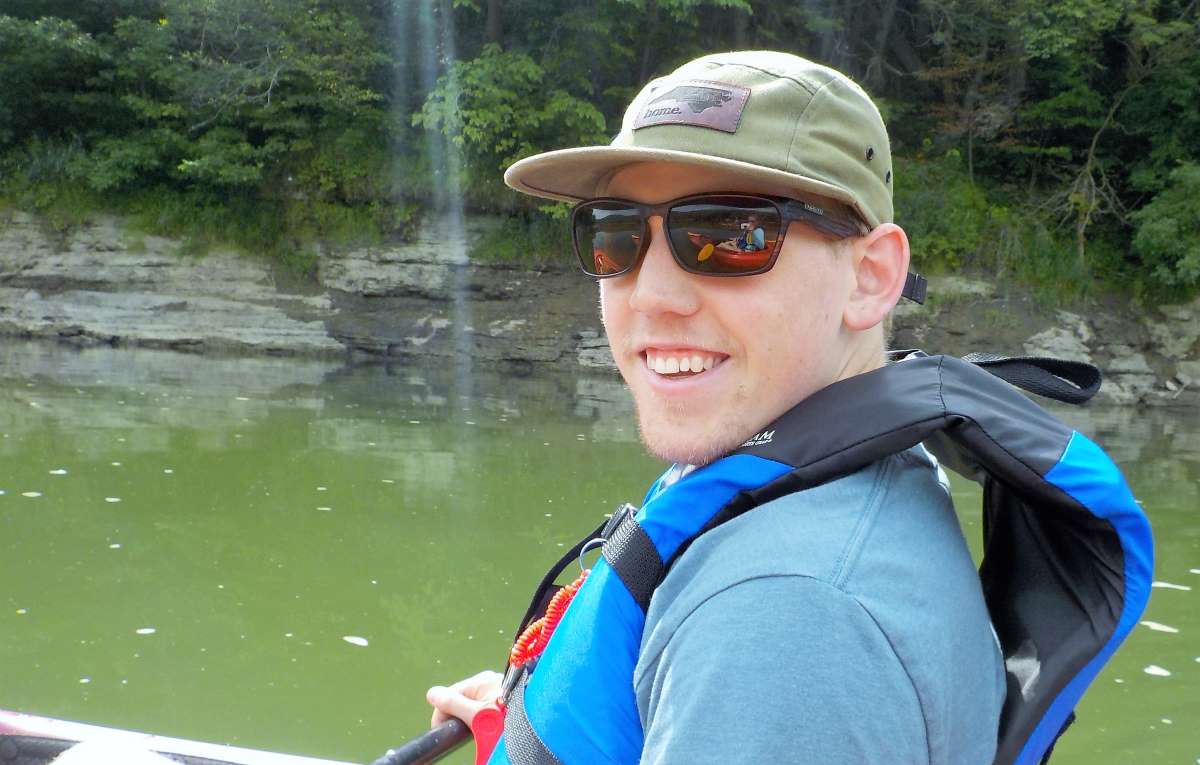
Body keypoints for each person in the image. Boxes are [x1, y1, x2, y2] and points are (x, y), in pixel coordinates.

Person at [427, 50, 1009, 763]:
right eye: (617, 233)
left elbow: (786, 676)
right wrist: (534, 724)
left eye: (732, 236)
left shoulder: (792, 619)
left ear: (870, 277)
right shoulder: (828, 479)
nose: (651, 295)